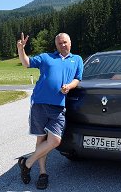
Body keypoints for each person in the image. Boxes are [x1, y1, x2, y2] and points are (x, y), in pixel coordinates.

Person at [17, 32, 84, 190]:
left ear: (70, 42)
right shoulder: (46, 57)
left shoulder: (77, 59)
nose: (63, 45)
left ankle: (26, 163)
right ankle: (42, 173)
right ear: (56, 45)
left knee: (54, 140)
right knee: (41, 140)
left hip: (58, 106)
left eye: (65, 42)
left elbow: (77, 78)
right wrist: (21, 49)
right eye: (60, 43)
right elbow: (26, 63)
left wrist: (69, 86)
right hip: (39, 104)